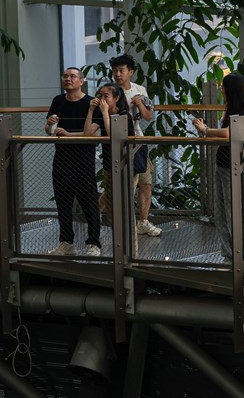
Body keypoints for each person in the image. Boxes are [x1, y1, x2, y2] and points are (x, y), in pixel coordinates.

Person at [192, 73, 244, 262]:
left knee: (232, 211)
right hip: (223, 164)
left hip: (234, 166)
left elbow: (230, 133)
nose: (221, 90)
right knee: (221, 212)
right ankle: (229, 252)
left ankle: (240, 252)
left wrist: (206, 130)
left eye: (223, 87)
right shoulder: (232, 109)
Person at [45, 68, 102, 257]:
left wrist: (68, 134)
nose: (68, 79)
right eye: (65, 76)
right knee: (63, 203)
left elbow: (90, 132)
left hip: (83, 159)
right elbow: (49, 131)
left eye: (72, 76)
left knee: (89, 203)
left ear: (81, 81)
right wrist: (49, 124)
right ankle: (66, 242)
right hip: (61, 158)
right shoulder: (58, 100)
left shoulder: (91, 102)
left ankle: (93, 243)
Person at [109, 54, 161, 236]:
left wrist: (139, 105)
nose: (117, 74)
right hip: (118, 143)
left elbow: (148, 116)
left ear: (130, 72)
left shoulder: (139, 89)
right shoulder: (110, 91)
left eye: (121, 70)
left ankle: (143, 221)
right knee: (120, 186)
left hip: (138, 141)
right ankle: (111, 221)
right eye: (115, 70)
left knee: (146, 182)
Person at [83, 83, 135, 232]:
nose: (102, 99)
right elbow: (87, 133)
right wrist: (91, 110)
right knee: (110, 197)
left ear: (116, 98)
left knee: (121, 201)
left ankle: (127, 234)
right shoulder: (100, 113)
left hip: (124, 163)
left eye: (106, 96)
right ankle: (114, 231)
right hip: (109, 163)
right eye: (100, 96)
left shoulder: (124, 115)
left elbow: (113, 134)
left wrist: (105, 112)